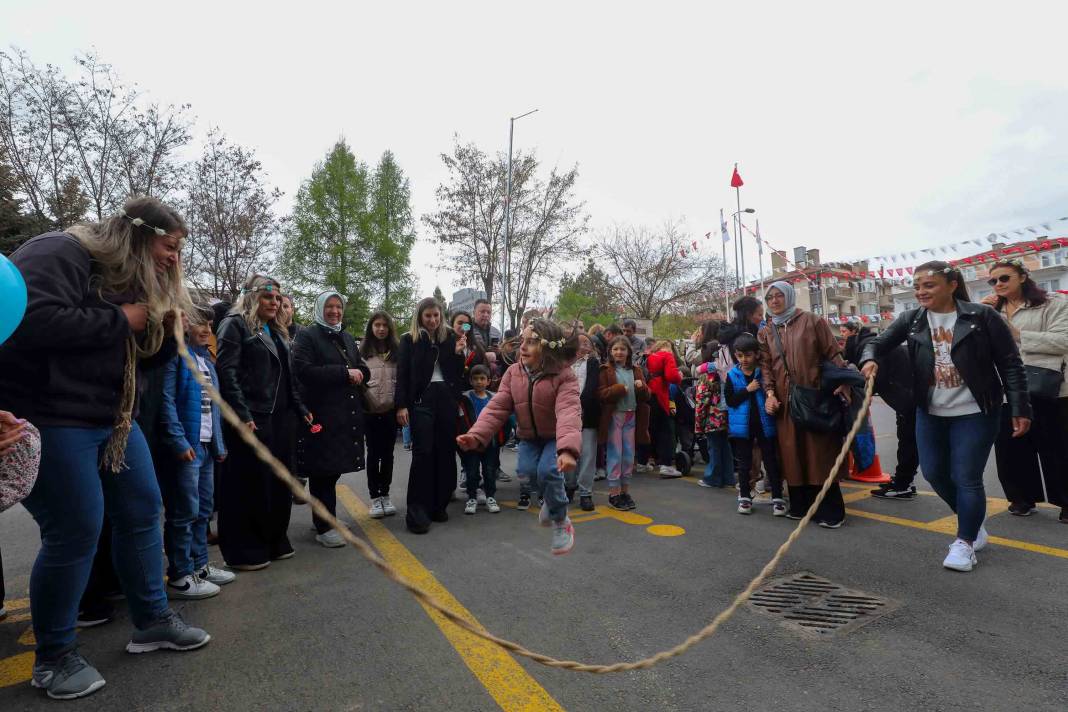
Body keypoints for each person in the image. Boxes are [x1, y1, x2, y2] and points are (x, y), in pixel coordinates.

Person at [0, 197, 210, 699]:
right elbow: (32, 321)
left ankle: (153, 619)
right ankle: (53, 657)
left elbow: (144, 359)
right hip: (50, 416)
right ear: (139, 236)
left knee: (142, 509)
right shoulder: (59, 252)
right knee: (74, 529)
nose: (173, 260)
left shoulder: (128, 284)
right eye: (169, 247)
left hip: (112, 419)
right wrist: (127, 319)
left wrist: (161, 327)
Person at [862, 261, 1031, 571]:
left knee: (966, 477)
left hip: (976, 411)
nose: (921, 291)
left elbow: (1011, 364)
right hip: (930, 411)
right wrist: (870, 359)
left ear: (952, 284)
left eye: (929, 285)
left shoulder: (982, 317)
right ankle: (972, 521)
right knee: (934, 473)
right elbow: (875, 342)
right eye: (917, 286)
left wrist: (1020, 407)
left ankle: (965, 543)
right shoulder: (912, 320)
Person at [458, 319, 580, 554]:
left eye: (532, 342)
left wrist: (567, 449)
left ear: (548, 348)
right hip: (528, 437)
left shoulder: (565, 376)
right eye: (522, 340)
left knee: (547, 470)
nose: (522, 347)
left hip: (555, 436)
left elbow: (568, 412)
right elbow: (497, 408)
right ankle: (550, 501)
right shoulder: (514, 373)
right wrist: (476, 435)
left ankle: (561, 520)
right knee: (525, 471)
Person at [216, 275, 312, 567]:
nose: (274, 303)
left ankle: (274, 539)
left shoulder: (277, 330)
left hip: (280, 418)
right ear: (252, 297)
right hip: (252, 418)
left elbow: (287, 378)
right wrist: (241, 414)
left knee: (279, 482)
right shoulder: (234, 324)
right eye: (267, 297)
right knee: (249, 485)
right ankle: (245, 550)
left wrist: (299, 407)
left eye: (278, 299)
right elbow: (227, 373)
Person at [979, 259, 1068, 522]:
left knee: (1057, 448)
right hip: (1006, 390)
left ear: (1023, 276)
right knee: (1010, 448)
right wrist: (976, 318)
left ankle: (1066, 501)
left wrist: (1016, 334)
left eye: (1004, 278)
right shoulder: (991, 311)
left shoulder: (1053, 304)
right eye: (993, 281)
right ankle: (1021, 498)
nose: (998, 285)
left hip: (1050, 388)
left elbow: (1064, 340)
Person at [759, 280, 853, 528]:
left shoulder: (812, 321)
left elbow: (833, 354)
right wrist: (769, 393)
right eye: (770, 298)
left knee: (819, 451)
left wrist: (843, 381)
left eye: (779, 296)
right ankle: (800, 506)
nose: (775, 301)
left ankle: (831, 510)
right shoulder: (768, 330)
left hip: (815, 397)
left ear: (789, 297)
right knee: (791, 453)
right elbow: (766, 366)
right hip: (784, 401)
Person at [158, 308, 233, 597]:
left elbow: (214, 409)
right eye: (199, 322)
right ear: (185, 323)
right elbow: (165, 401)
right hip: (186, 448)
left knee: (203, 508)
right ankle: (179, 574)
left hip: (205, 447)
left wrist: (219, 445)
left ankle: (200, 565)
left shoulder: (207, 361)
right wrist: (178, 441)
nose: (205, 329)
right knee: (183, 512)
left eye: (209, 324)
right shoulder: (176, 356)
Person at [291, 290, 370, 547]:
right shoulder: (307, 335)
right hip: (321, 413)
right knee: (322, 471)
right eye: (330, 307)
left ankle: (327, 518)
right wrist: (345, 373)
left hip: (344, 415)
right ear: (320, 308)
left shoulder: (345, 336)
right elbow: (303, 370)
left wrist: (362, 373)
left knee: (332, 471)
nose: (335, 311)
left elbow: (359, 365)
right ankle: (324, 526)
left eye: (338, 307)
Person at [396, 297, 466, 534]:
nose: (433, 320)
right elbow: (403, 374)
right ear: (420, 317)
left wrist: (458, 354)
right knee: (423, 453)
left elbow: (457, 375)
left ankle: (439, 505)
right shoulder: (409, 340)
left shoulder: (451, 338)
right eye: (428, 316)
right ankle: (417, 512)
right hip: (421, 401)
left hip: (445, 398)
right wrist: (401, 405)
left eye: (436, 315)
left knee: (445, 451)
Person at [840, 320, 918, 499]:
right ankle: (905, 481)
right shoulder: (871, 344)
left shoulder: (868, 348)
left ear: (853, 333)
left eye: (844, 333)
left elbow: (871, 378)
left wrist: (849, 385)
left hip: (909, 397)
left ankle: (903, 484)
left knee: (909, 441)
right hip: (909, 395)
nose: (842, 339)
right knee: (909, 440)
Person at [725, 334, 785, 516]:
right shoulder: (732, 375)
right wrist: (747, 390)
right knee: (744, 464)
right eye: (740, 355)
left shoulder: (764, 373)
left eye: (748, 355)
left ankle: (778, 498)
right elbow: (730, 401)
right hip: (742, 428)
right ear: (735, 355)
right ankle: (744, 497)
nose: (744, 359)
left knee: (771, 461)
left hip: (765, 424)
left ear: (757, 355)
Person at [599, 336, 651, 510]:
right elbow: (601, 394)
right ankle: (614, 493)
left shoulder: (636, 370)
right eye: (615, 349)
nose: (619, 352)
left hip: (632, 417)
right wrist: (619, 389)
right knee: (615, 454)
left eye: (622, 349)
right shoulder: (605, 370)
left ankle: (625, 491)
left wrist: (642, 387)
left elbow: (647, 396)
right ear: (610, 352)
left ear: (629, 352)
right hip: (615, 417)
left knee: (629, 455)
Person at [360, 310, 400, 519]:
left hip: (391, 413)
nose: (381, 329)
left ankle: (385, 494)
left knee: (388, 455)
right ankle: (374, 497)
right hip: (370, 413)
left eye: (385, 325)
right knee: (373, 454)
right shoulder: (362, 352)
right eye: (377, 325)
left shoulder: (397, 352)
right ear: (371, 328)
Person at [458, 365, 501, 515]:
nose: (479, 382)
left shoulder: (494, 398)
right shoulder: (465, 398)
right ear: (470, 381)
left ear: (488, 381)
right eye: (475, 379)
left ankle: (490, 497)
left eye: (482, 379)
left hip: (490, 442)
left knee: (489, 471)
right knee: (471, 471)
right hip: (471, 442)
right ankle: (472, 497)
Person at [568, 331, 601, 511]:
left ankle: (585, 492)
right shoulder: (564, 364)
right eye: (580, 342)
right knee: (568, 451)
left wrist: (579, 406)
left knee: (587, 454)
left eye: (587, 342)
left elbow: (591, 388)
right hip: (567, 415)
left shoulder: (593, 363)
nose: (584, 345)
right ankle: (569, 484)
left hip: (588, 414)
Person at [646, 340, 683, 477]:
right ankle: (666, 465)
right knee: (666, 431)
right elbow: (671, 376)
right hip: (661, 396)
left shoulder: (649, 357)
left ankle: (644, 461)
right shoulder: (667, 356)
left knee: (649, 429)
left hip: (648, 395)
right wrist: (679, 377)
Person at [694, 358, 732, 488]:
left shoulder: (706, 383)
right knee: (725, 447)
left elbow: (701, 405)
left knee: (714, 448)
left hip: (712, 420)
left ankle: (713, 478)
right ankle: (728, 477)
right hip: (725, 418)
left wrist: (698, 426)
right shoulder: (724, 381)